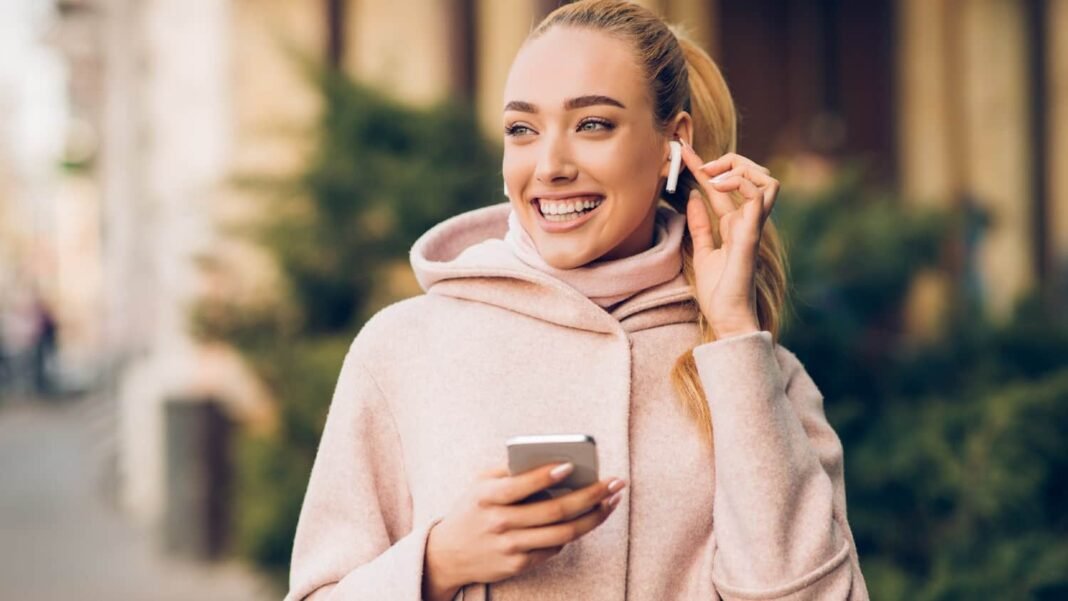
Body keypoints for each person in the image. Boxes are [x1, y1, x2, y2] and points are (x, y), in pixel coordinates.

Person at [285, 1, 869, 599]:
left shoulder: (761, 374)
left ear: (674, 141)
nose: (550, 166)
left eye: (592, 124)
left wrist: (735, 335)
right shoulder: (402, 349)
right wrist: (440, 561)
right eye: (522, 130)